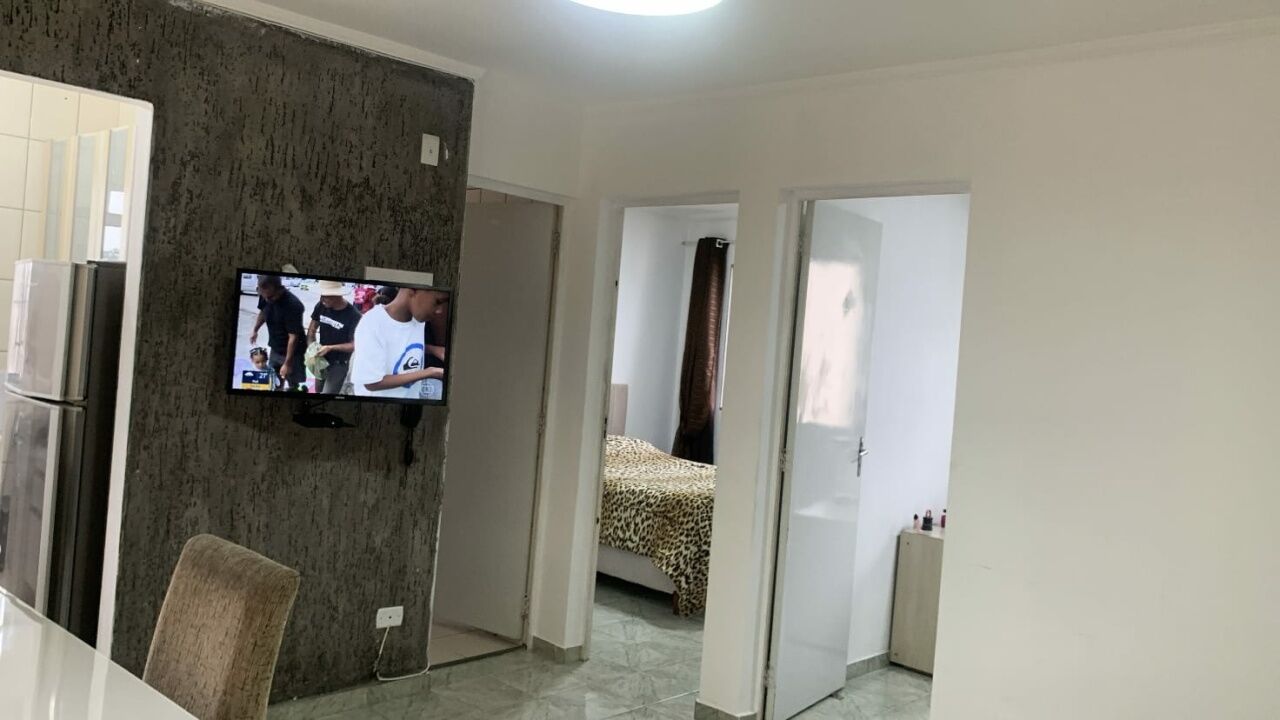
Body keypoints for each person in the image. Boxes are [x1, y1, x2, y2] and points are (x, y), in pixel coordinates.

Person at [349, 286, 446, 399]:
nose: (440, 310)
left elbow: (400, 346)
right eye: (438, 302)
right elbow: (372, 383)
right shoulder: (372, 323)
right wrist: (430, 372)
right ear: (413, 290)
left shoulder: (418, 320)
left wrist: (434, 350)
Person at [250, 274, 308, 391]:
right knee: (274, 381)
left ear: (279, 289)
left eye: (270, 297)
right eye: (263, 296)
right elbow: (263, 312)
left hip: (294, 352)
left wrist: (287, 363)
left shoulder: (293, 305)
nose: (267, 300)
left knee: (293, 384)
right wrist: (255, 330)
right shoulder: (265, 294)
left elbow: (293, 337)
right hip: (275, 347)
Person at [306, 280, 362, 395]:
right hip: (321, 359)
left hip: (339, 363)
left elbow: (354, 345)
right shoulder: (321, 306)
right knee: (318, 390)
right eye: (321, 296)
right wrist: (312, 347)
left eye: (325, 297)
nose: (322, 299)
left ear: (337, 295)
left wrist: (330, 348)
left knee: (328, 394)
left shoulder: (353, 315)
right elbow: (312, 330)